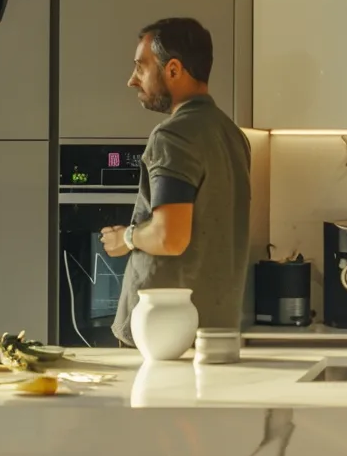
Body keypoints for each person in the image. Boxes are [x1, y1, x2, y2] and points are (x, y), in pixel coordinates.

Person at [102, 18, 251, 346]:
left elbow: (170, 237)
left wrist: (126, 238)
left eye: (141, 68)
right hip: (216, 330)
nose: (132, 80)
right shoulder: (232, 135)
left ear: (172, 69)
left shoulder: (174, 135)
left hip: (163, 336)